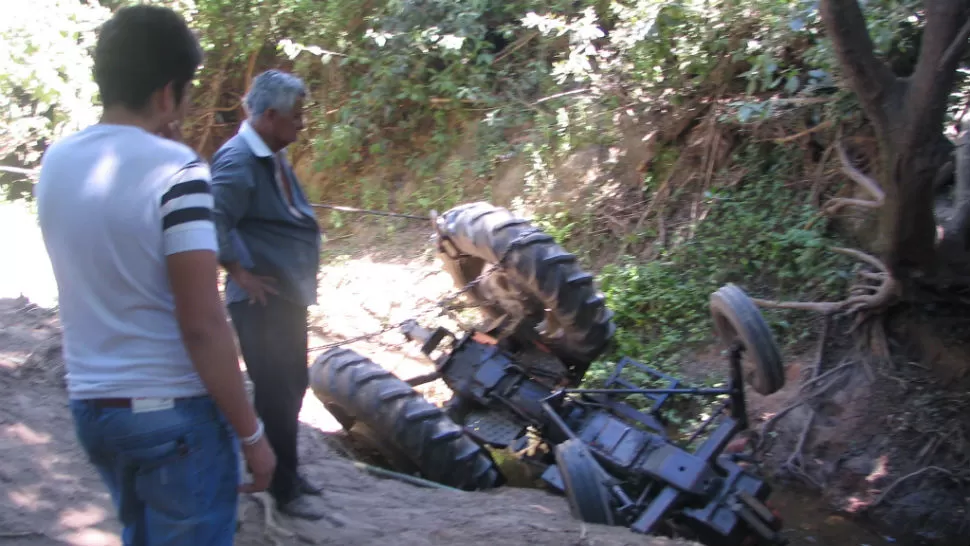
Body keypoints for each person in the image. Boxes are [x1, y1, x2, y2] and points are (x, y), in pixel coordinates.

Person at [34, 5, 275, 544]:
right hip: (172, 414)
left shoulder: (55, 162)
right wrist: (252, 434)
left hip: (93, 407)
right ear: (168, 92)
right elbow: (203, 325)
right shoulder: (179, 172)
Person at [209, 70, 324, 519]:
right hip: (262, 300)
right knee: (278, 391)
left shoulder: (267, 151)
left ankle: (288, 473)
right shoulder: (238, 160)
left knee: (292, 386)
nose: (302, 125)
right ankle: (280, 488)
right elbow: (213, 219)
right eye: (296, 117)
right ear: (271, 116)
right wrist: (239, 272)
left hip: (284, 296)